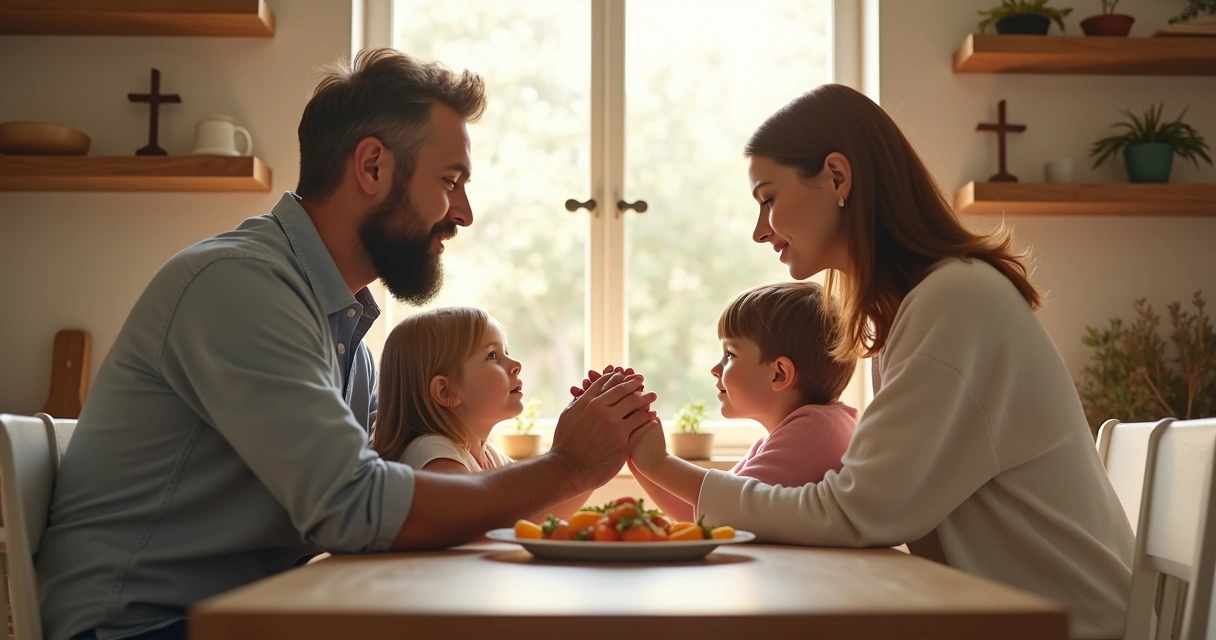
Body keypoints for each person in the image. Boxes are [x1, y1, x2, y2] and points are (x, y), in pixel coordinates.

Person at [36, 48, 656, 640]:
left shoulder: (344, 334)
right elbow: (356, 507)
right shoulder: (240, 285)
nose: (464, 213)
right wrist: (567, 466)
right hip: (138, 627)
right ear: (372, 167)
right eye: (450, 180)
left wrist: (571, 467)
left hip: (248, 613)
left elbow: (394, 492)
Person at [626, 84, 1134, 640]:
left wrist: (659, 464)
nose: (760, 229)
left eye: (768, 198)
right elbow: (866, 508)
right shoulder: (918, 310)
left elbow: (855, 513)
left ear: (837, 177)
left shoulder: (956, 303)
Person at [628, 282, 858, 523]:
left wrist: (658, 463)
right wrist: (639, 459)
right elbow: (702, 513)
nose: (715, 369)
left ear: (779, 374)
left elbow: (728, 508)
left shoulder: (814, 433)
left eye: (730, 354)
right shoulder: (794, 434)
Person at [371, 306, 590, 518]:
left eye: (506, 352)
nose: (516, 364)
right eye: (493, 355)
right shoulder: (432, 451)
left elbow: (538, 513)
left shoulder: (487, 454)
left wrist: (593, 456)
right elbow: (476, 524)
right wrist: (577, 459)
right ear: (445, 390)